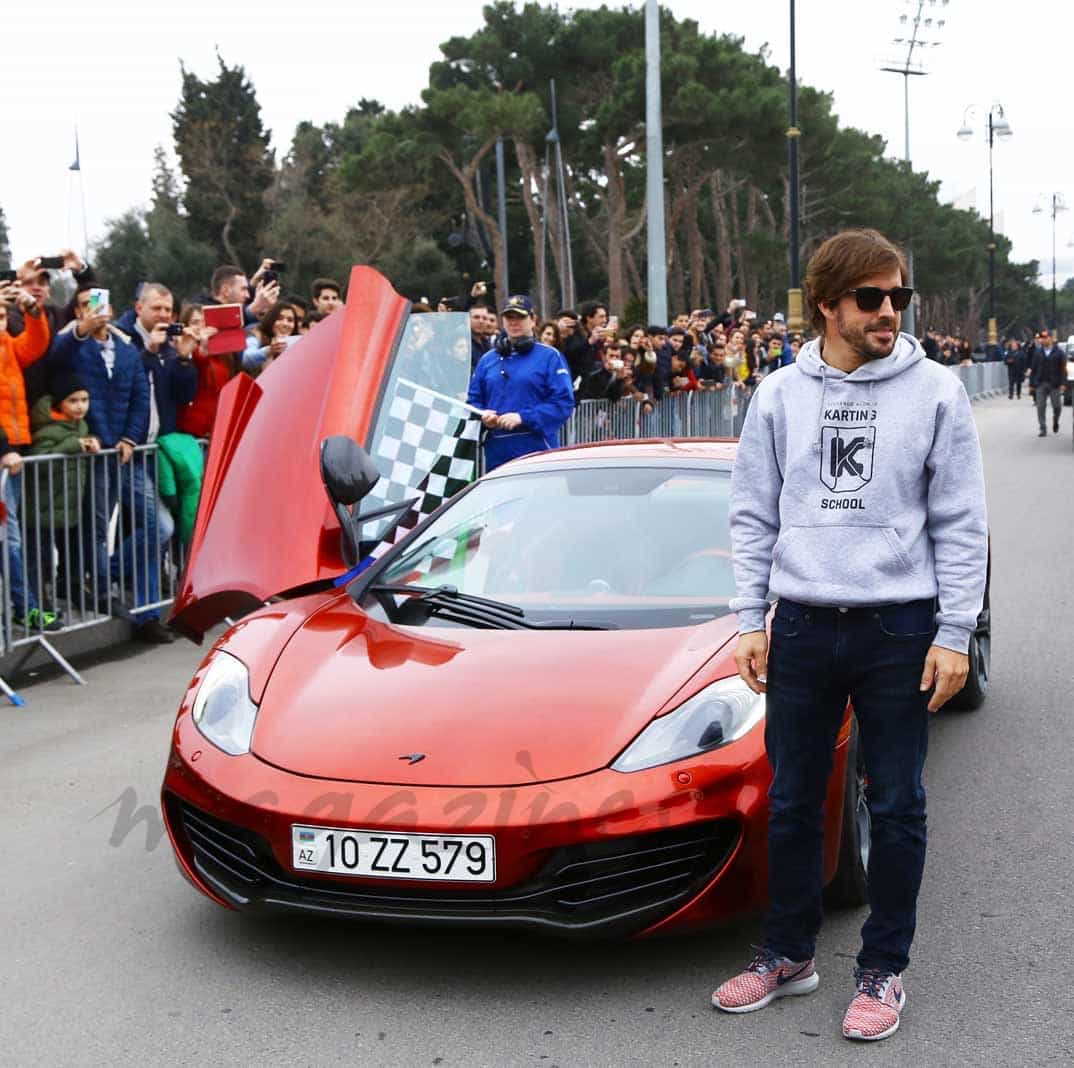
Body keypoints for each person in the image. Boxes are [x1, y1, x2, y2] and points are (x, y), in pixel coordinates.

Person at [713, 229, 988, 1042]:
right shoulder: (778, 394)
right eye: (871, 298)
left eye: (899, 296)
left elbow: (963, 522)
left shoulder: (938, 391)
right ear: (827, 304)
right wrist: (746, 618)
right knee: (794, 800)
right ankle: (788, 954)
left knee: (896, 804)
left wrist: (954, 633)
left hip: (899, 627)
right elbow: (752, 510)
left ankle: (882, 969)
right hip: (799, 623)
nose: (889, 312)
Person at [50, 288, 174, 643]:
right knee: (97, 526)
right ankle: (101, 586)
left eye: (101, 302)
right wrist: (81, 330)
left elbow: (139, 396)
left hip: (128, 454)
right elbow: (55, 360)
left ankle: (106, 573)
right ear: (77, 309)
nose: (97, 310)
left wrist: (129, 440)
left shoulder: (125, 347)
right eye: (89, 304)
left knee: (159, 526)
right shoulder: (73, 343)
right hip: (97, 454)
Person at [0, 278, 58, 630]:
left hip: (15, 450)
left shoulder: (7, 344)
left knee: (12, 535)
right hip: (6, 453)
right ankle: (26, 607)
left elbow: (35, 346)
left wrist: (32, 311)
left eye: (2, 316)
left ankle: (25, 606)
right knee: (11, 537)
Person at [467, 295, 575, 471]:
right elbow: (473, 401)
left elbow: (563, 403)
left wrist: (523, 417)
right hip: (497, 452)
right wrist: (482, 415)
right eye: (509, 317)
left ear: (532, 320)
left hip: (537, 450)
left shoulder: (550, 356)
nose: (514, 322)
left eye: (520, 317)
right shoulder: (487, 360)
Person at [27, 372, 99, 614]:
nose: (80, 406)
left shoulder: (81, 426)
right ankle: (40, 603)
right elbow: (39, 460)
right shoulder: (47, 430)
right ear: (60, 403)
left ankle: (64, 592)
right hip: (42, 508)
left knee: (66, 553)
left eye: (84, 400)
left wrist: (91, 443)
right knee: (40, 559)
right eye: (73, 401)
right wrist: (71, 447)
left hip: (67, 505)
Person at [1028, 329, 1066, 436]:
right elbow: (1033, 369)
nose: (1043, 340)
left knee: (1057, 406)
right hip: (1041, 383)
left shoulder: (1059, 353)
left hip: (1055, 384)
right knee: (1040, 406)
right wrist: (1031, 384)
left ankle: (1055, 419)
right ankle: (1042, 428)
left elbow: (1063, 369)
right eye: (1041, 338)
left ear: (1050, 338)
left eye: (1045, 338)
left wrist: (1063, 383)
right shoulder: (1038, 353)